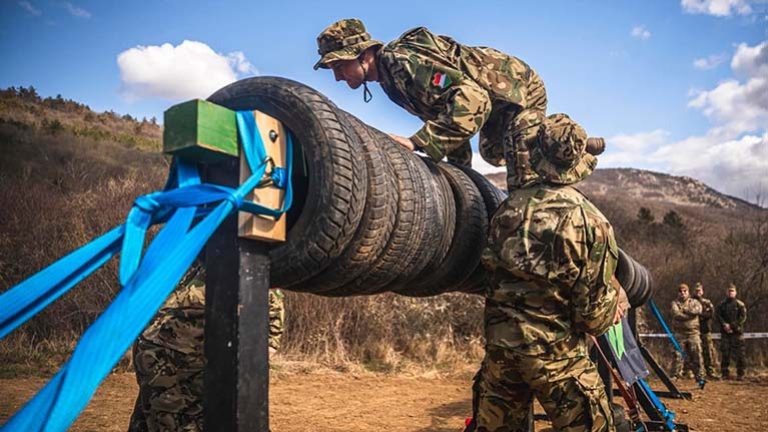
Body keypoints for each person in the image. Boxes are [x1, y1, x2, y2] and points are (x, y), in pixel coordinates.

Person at [475, 113, 626, 431]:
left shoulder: (506, 210)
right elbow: (592, 318)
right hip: (558, 360)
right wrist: (615, 301)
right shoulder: (591, 221)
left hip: (501, 357)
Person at [313, 18, 547, 187]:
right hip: (493, 104)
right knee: (491, 153)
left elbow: (474, 101)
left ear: (363, 55)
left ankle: (568, 147)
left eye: (340, 66)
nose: (337, 77)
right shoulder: (389, 81)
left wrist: (417, 142)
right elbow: (446, 115)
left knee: (522, 180)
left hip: (520, 91)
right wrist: (463, 181)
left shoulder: (403, 63)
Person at [128, 263, 285, 432]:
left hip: (188, 369)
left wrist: (252, 362)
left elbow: (272, 319)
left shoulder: (241, 262)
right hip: (156, 362)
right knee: (148, 422)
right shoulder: (190, 258)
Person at [669, 283, 705, 386]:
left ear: (688, 292)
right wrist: (689, 315)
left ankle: (700, 378)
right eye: (681, 291)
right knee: (677, 356)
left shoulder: (695, 302)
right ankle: (674, 378)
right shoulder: (674, 303)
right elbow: (676, 314)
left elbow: (697, 311)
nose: (683, 293)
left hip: (694, 334)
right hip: (679, 334)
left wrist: (685, 310)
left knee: (697, 356)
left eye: (685, 291)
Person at [717, 283, 747, 380]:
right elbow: (718, 316)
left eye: (732, 291)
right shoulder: (721, 305)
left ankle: (740, 374)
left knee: (740, 354)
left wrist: (732, 326)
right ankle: (725, 374)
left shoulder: (740, 304)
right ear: (726, 292)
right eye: (729, 291)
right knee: (725, 354)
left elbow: (742, 318)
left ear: (735, 292)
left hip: (737, 333)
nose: (730, 293)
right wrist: (725, 325)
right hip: (725, 333)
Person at [692, 282, 718, 379]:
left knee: (708, 352)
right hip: (694, 331)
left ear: (702, 291)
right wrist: (701, 315)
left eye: (699, 290)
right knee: (695, 353)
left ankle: (710, 371)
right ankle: (697, 372)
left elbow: (710, 314)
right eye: (696, 290)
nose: (698, 292)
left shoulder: (707, 302)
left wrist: (700, 315)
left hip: (705, 330)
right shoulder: (690, 302)